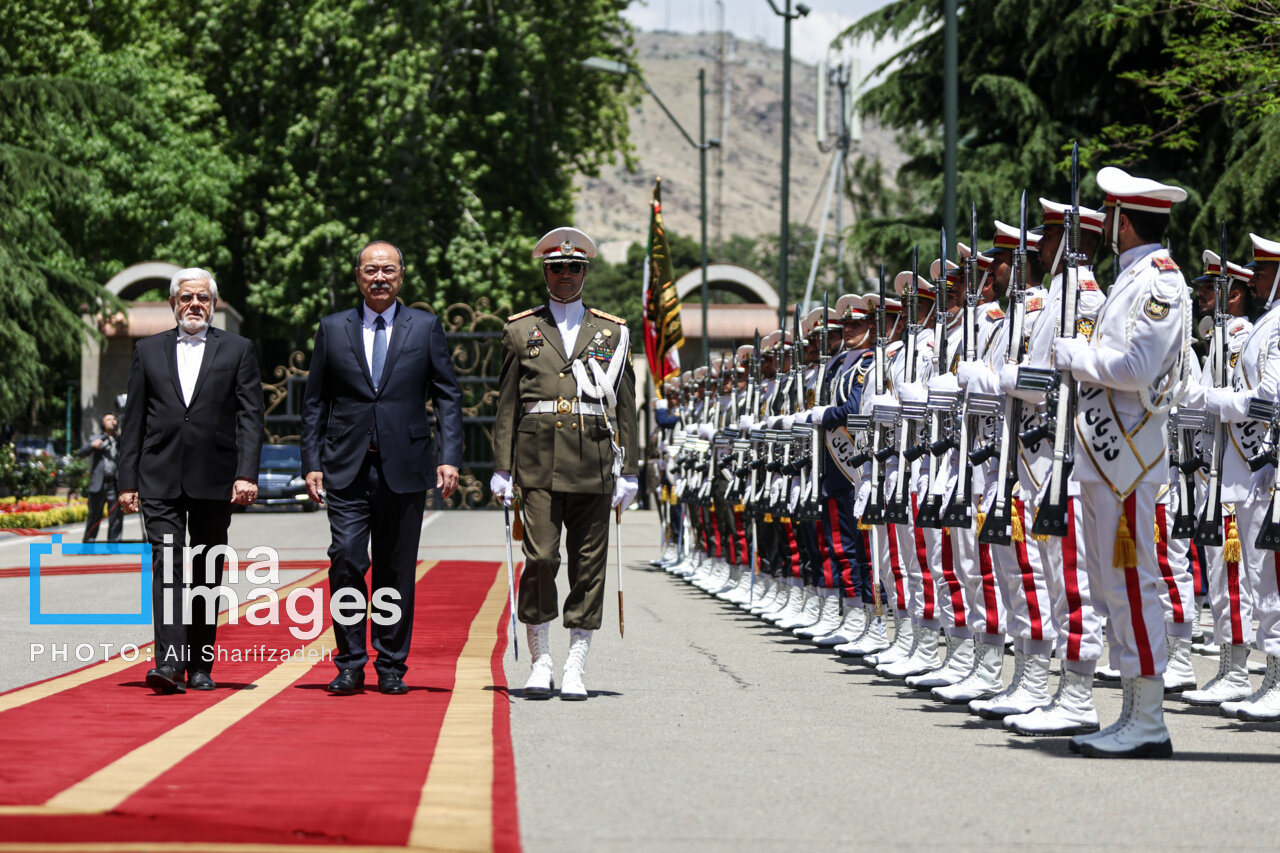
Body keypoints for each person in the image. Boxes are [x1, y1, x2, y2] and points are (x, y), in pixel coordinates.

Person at [1054, 166, 1191, 757]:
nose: (1105, 227)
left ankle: (1150, 721)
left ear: (1125, 221)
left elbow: (1135, 372)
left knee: (1133, 586)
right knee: (1113, 588)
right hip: (1106, 458)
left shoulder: (1159, 282)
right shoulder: (1131, 277)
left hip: (1128, 460)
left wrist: (1077, 357)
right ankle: (1132, 713)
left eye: (1110, 217)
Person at [301, 240, 464, 696]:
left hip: (406, 468)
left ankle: (391, 664)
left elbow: (447, 396)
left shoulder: (425, 327)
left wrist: (450, 455)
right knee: (347, 562)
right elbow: (315, 401)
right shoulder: (333, 329)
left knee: (395, 570)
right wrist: (311, 461)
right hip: (346, 468)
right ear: (358, 275)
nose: (379, 277)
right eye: (370, 269)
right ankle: (351, 662)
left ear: (401, 275)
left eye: (388, 270)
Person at [491, 227, 639, 701]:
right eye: (557, 267)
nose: (566, 275)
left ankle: (576, 662)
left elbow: (626, 406)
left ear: (585, 272)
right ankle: (542, 659)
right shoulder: (520, 329)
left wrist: (631, 470)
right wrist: (501, 467)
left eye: (574, 267)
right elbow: (507, 405)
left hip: (593, 460)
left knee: (588, 566)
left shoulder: (612, 332)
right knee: (540, 558)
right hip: (536, 461)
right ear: (545, 272)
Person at [118, 268, 264, 694]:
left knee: (205, 571)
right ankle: (168, 663)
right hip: (158, 475)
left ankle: (200, 663)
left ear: (213, 304)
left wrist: (246, 473)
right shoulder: (147, 351)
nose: (194, 305)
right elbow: (133, 421)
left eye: (202, 297)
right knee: (167, 566)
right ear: (173, 304)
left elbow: (251, 416)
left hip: (214, 478)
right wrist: (128, 479)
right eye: (186, 298)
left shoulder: (238, 349)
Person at [80, 413, 124, 542]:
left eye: (114, 419)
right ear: (103, 423)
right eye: (108, 419)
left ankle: (114, 543)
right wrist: (92, 446)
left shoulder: (120, 440)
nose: (112, 421)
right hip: (99, 483)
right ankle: (89, 542)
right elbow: (81, 453)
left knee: (116, 516)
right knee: (94, 515)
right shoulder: (96, 438)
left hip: (115, 483)